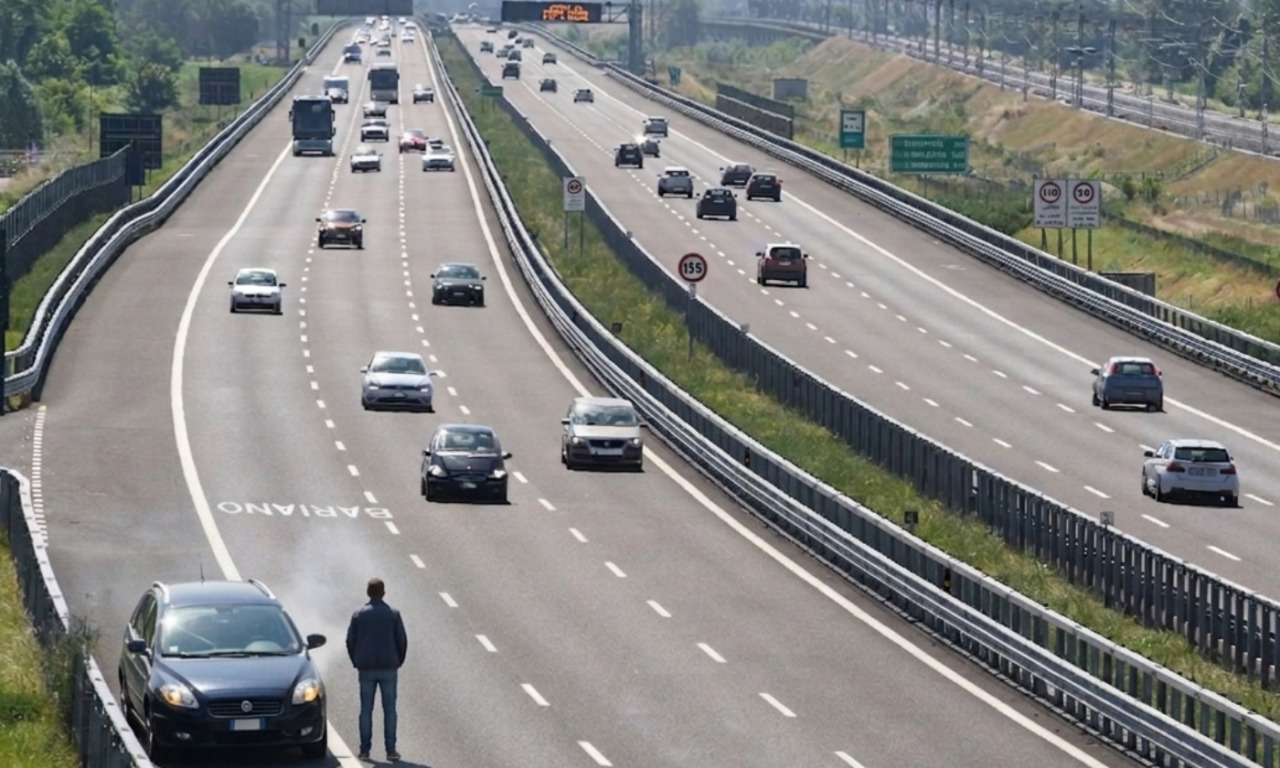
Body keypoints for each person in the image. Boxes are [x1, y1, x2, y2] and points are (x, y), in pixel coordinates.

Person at [346, 577, 408, 762]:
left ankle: (365, 751)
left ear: (368, 593)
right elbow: (402, 641)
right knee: (390, 710)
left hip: (366, 668)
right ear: (383, 593)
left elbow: (350, 640)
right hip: (389, 667)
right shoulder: (393, 614)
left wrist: (356, 660)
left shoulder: (359, 614)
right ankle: (391, 750)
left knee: (366, 709)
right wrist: (398, 661)